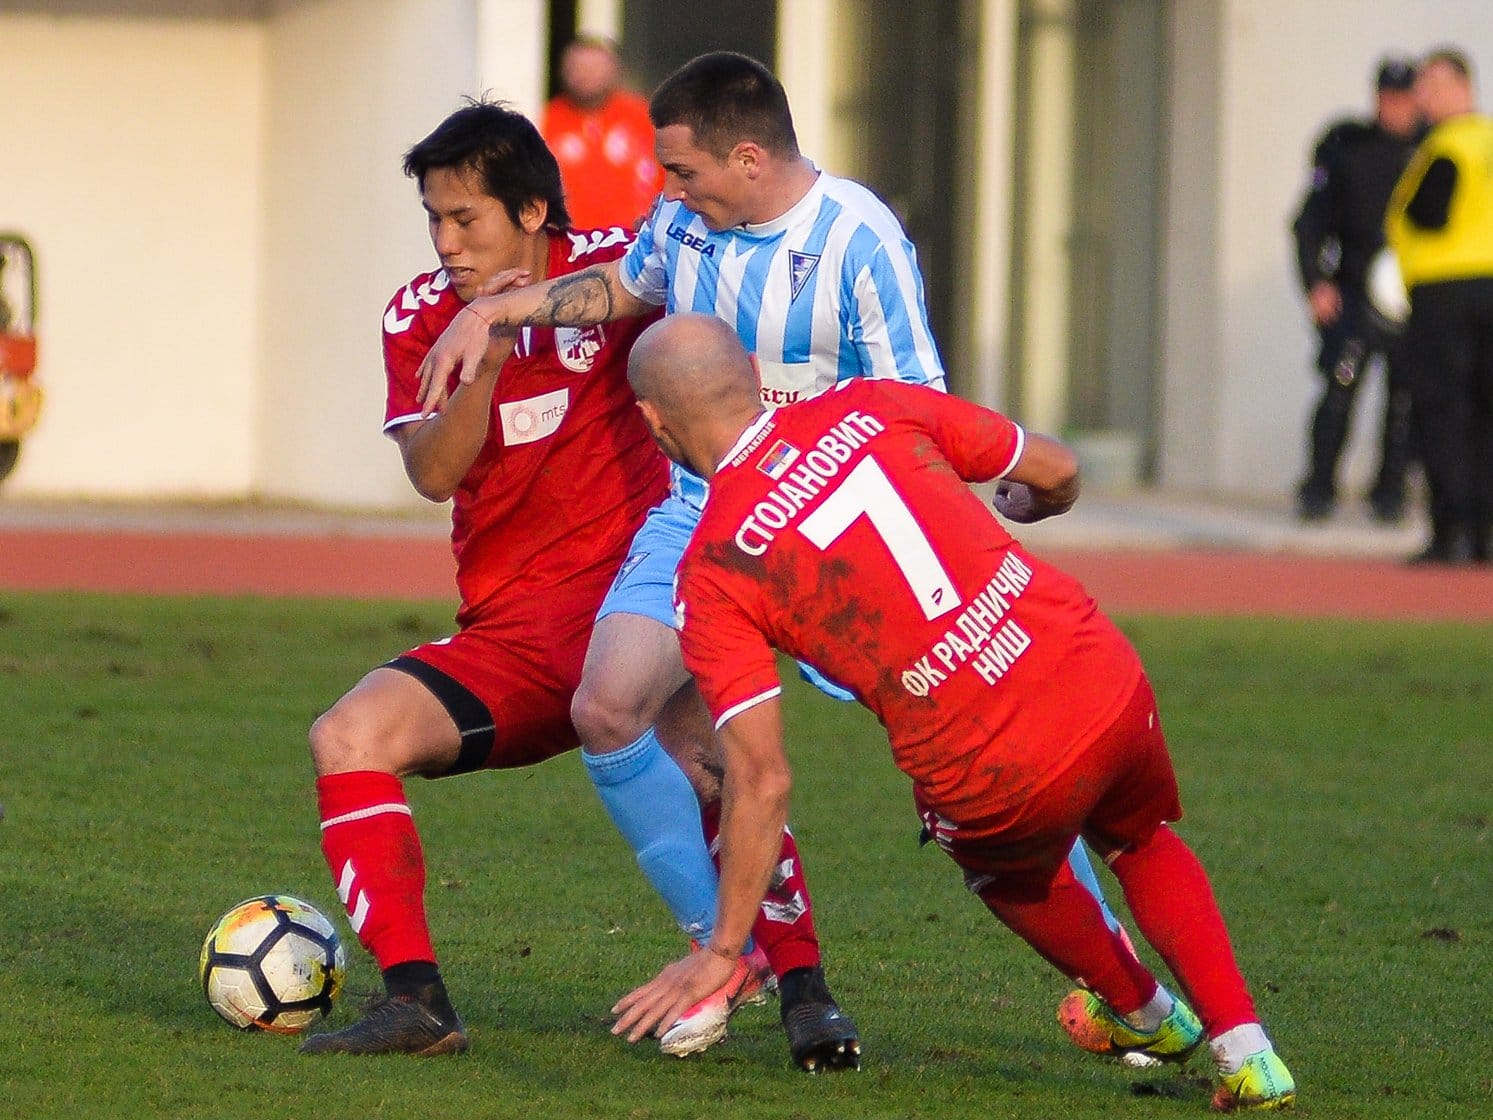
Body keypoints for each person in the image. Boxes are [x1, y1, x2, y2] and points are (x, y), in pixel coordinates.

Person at [415, 50, 1132, 1072]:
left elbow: (910, 414)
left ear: (747, 159)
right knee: (608, 705)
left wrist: (973, 507)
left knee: (973, 754)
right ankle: (729, 955)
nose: (663, 194)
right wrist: (497, 309)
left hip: (832, 528)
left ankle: (1122, 990)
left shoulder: (858, 240)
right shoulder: (684, 221)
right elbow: (625, 283)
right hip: (703, 513)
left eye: (681, 172)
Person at [610, 313, 1297, 1113]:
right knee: (1139, 838)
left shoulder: (715, 566)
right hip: (1093, 670)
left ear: (654, 422)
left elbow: (760, 779)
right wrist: (1033, 502)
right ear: (753, 381)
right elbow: (1057, 468)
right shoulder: (868, 403)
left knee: (1008, 874)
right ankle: (1249, 1055)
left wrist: (725, 950)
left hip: (988, 769)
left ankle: (1146, 1014)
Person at [297, 100, 771, 1057]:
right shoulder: (419, 315)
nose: (444, 242)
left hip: (640, 609)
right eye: (432, 218)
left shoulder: (624, 268)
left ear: (530, 214)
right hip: (512, 641)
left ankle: (792, 984)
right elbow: (432, 474)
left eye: (463, 218)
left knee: (716, 761)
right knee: (348, 736)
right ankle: (417, 1004)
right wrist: (486, 351)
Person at [1291, 56, 1423, 523]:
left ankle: (1390, 494)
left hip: (1415, 297)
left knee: (1406, 403)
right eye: (1388, 98)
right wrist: (1316, 282)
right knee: (1340, 389)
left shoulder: (1433, 150)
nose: (1396, 108)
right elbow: (1310, 224)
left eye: (1405, 98)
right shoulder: (1348, 147)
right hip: (1355, 288)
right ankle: (1319, 488)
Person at [1386, 47, 1493, 565]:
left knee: (1443, 413)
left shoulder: (1447, 146)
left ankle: (1451, 533)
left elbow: (1430, 214)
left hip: (1446, 295)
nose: (1421, 96)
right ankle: (1487, 534)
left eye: (1429, 85)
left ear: (1459, 86)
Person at [541, 35, 664, 230]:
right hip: (570, 245)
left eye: (595, 68)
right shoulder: (544, 121)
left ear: (615, 70)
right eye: (578, 68)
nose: (586, 75)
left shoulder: (645, 118)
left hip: (634, 243)